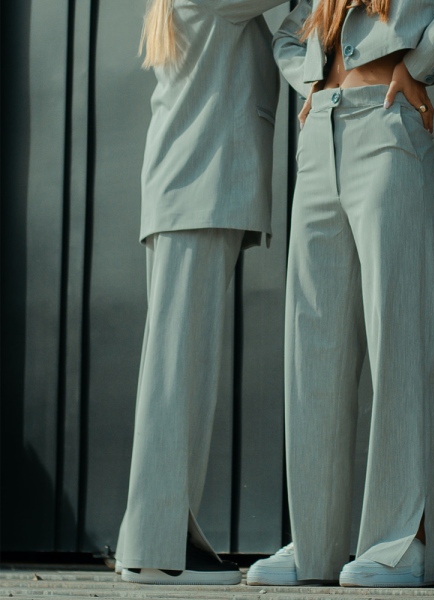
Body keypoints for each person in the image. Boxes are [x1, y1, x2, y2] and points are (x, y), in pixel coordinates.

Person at [247, 0, 434, 588]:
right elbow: (288, 35)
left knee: (400, 335)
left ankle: (405, 540)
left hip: (386, 121)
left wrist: (420, 63)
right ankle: (314, 545)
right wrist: (311, 82)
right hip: (319, 135)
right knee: (312, 348)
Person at [115, 0, 285, 585]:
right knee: (177, 373)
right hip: (199, 188)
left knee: (179, 370)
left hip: (192, 189)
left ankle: (168, 536)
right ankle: (155, 549)